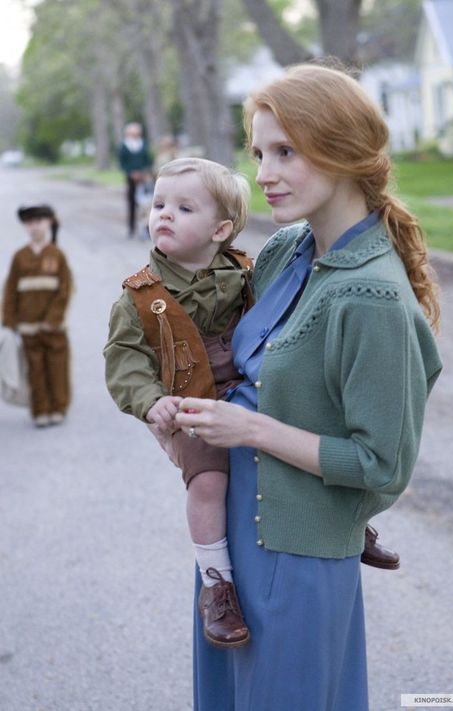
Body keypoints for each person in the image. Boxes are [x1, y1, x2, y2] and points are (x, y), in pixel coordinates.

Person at [164, 63, 443, 710]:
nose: (262, 172)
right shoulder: (286, 248)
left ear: (342, 150)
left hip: (301, 555)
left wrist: (250, 429)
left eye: (285, 151)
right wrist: (184, 413)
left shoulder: (370, 294)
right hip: (234, 533)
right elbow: (247, 372)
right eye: (259, 151)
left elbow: (381, 465)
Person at [104, 157, 254, 648]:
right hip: (191, 406)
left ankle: (346, 521)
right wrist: (152, 403)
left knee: (298, 442)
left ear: (221, 230)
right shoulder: (140, 296)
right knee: (208, 481)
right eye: (159, 203)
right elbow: (124, 358)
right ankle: (217, 583)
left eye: (184, 207)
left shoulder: (246, 272)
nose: (164, 214)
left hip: (255, 393)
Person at [2, 204, 73, 427]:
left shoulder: (56, 255)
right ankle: (40, 409)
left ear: (49, 223)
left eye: (39, 222)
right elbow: (10, 290)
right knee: (35, 370)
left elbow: (64, 290)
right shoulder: (20, 257)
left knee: (57, 367)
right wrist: (9, 322)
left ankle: (58, 408)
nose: (34, 227)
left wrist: (53, 319)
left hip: (53, 328)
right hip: (28, 327)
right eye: (30, 223)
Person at [118, 122, 154, 238]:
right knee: (132, 202)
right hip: (131, 177)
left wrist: (145, 172)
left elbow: (148, 159)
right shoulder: (124, 145)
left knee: (146, 203)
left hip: (144, 177)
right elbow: (122, 162)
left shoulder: (143, 143)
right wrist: (131, 172)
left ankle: (146, 227)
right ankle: (131, 228)